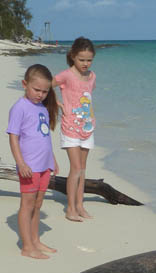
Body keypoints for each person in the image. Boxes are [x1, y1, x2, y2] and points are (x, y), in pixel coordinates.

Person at [7, 64, 59, 259]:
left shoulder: (42, 108)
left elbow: (43, 137)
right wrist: (20, 163)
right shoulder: (20, 108)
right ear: (24, 84)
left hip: (44, 165)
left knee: (38, 204)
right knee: (27, 205)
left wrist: (52, 159)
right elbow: (14, 137)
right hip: (29, 166)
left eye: (45, 91)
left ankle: (35, 240)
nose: (40, 95)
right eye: (37, 90)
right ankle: (27, 246)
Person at [53, 36, 96, 221]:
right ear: (72, 56)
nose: (85, 63)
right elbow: (45, 86)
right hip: (70, 127)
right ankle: (70, 209)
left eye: (89, 60)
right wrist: (56, 103)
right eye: (81, 59)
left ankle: (80, 206)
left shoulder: (92, 76)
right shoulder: (66, 75)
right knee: (76, 168)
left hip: (87, 127)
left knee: (83, 169)